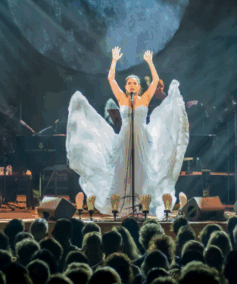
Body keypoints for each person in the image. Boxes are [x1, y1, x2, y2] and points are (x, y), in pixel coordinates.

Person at [66, 48, 188, 218]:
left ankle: (141, 205)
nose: (131, 85)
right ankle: (122, 205)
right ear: (126, 86)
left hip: (142, 140)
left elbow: (154, 81)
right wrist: (114, 60)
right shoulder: (122, 99)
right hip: (125, 139)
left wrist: (150, 62)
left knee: (142, 171)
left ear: (138, 87)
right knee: (122, 172)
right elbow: (110, 78)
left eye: (134, 83)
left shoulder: (145, 98)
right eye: (129, 83)